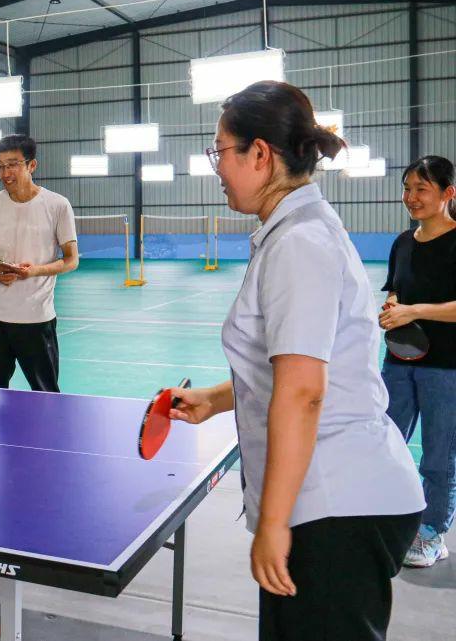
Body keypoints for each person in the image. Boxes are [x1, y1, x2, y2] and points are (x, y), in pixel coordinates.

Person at [167, 81, 425, 641]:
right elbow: (296, 367)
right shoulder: (292, 233)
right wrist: (215, 399)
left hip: (336, 505)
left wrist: (275, 521)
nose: (217, 167)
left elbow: (304, 391)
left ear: (260, 154)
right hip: (333, 501)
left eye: (219, 151)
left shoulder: (299, 243)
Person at [380, 155, 456, 568]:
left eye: (421, 189)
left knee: (439, 455)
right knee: (386, 441)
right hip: (398, 360)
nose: (411, 197)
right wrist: (393, 307)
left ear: (448, 193)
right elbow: (395, 289)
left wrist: (414, 311)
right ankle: (392, 514)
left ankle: (432, 532)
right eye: (407, 189)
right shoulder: (403, 242)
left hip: (447, 367)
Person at [0, 134, 78, 393]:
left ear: (32, 165)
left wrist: (35, 271)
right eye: (0, 166)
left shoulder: (57, 205)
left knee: (46, 396)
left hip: (36, 320)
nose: (5, 173)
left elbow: (71, 259)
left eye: (13, 164)